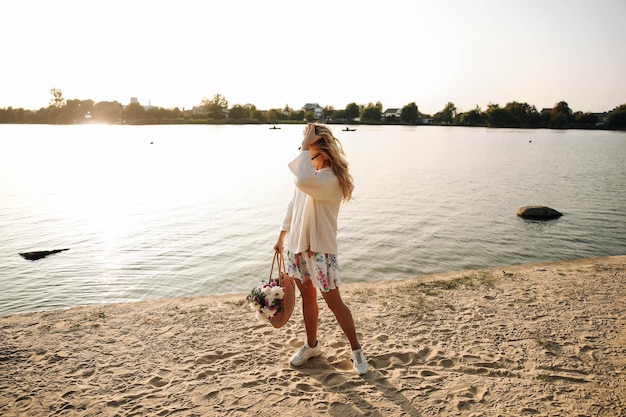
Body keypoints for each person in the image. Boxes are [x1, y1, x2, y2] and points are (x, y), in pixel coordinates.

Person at [274, 123, 368, 375]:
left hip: (321, 252)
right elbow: (292, 207)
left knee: (335, 302)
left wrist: (306, 143)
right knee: (308, 298)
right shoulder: (310, 180)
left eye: (309, 153)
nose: (305, 157)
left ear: (323, 154)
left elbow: (303, 179)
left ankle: (356, 349)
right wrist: (281, 237)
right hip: (298, 248)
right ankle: (311, 345)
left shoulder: (330, 180)